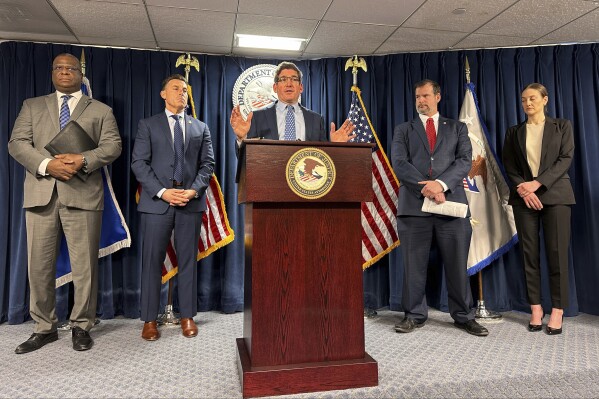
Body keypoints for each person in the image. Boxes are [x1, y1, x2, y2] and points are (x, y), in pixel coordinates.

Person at [8, 53, 122, 353]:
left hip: (84, 196)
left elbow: (113, 145)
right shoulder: (31, 106)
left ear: (80, 73)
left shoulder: (100, 110)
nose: (64, 72)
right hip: (41, 195)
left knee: (85, 266)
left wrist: (84, 159)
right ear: (52, 73)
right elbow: (17, 143)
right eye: (58, 68)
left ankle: (82, 325)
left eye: (70, 68)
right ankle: (44, 328)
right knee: (39, 266)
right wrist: (47, 165)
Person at [390, 79, 488, 337]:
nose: (420, 101)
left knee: (457, 265)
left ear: (437, 97)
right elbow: (400, 163)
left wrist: (441, 185)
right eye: (417, 97)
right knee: (414, 266)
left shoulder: (457, 128)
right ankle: (413, 314)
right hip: (414, 209)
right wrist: (427, 187)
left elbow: (464, 160)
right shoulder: (403, 129)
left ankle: (464, 316)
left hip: (451, 207)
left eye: (425, 96)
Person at [131, 74, 214, 341]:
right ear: (163, 94)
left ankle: (187, 315)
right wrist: (164, 192)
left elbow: (207, 165)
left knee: (188, 260)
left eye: (185, 90)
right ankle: (149, 319)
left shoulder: (200, 127)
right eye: (176, 89)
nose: (182, 93)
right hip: (158, 204)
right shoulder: (148, 125)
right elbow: (139, 164)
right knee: (152, 262)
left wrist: (192, 191)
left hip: (190, 202)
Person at [502, 83, 575, 335]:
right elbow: (509, 164)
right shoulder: (514, 132)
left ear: (545, 100)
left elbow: (565, 159)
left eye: (532, 98)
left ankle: (557, 310)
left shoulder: (562, 126)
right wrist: (524, 187)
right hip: (524, 198)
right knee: (529, 255)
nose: (527, 103)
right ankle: (535, 308)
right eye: (523, 100)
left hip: (555, 197)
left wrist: (537, 184)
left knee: (557, 254)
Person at [230, 61, 356, 147]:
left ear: (301, 87)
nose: (289, 84)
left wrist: (334, 146)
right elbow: (245, 159)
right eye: (283, 79)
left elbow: (322, 157)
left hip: (304, 181)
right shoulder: (257, 117)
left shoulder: (316, 120)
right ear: (275, 87)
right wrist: (242, 138)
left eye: (294, 79)